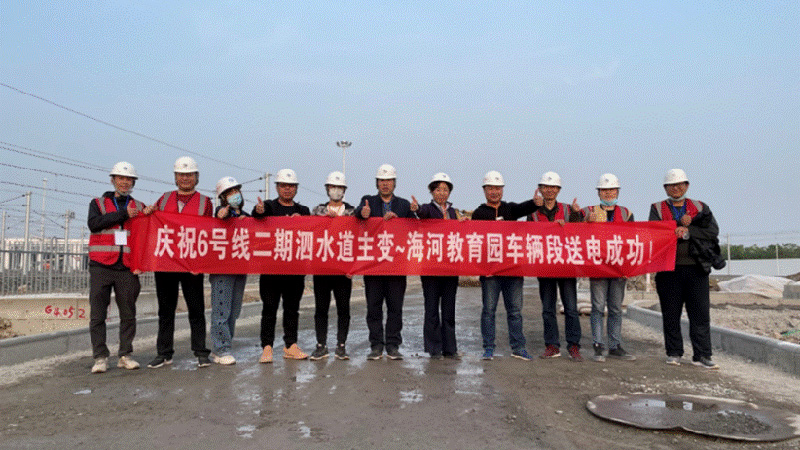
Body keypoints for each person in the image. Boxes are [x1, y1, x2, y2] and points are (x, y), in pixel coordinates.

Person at [144, 156, 213, 369]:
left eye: (189, 174)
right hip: (166, 263)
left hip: (192, 265)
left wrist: (202, 263)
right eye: (181, 175)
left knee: (196, 309)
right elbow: (152, 224)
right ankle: (164, 353)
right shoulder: (164, 199)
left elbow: (208, 233)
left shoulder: (205, 202)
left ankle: (201, 352)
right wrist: (148, 213)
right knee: (166, 310)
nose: (185, 178)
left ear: (196, 177)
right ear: (175, 177)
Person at [650, 169, 723, 369]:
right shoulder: (657, 208)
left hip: (696, 269)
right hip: (668, 269)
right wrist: (676, 225)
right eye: (671, 185)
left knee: (700, 314)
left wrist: (689, 230)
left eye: (680, 184)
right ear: (665, 188)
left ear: (687, 186)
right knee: (671, 314)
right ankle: (674, 352)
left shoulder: (700, 207)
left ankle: (702, 355)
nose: (676, 188)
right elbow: (654, 232)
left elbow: (712, 231)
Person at [471, 170, 540, 361]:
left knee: (515, 312)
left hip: (512, 270)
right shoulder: (479, 213)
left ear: (502, 190)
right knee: (488, 311)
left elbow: (524, 208)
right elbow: (473, 239)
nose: (494, 192)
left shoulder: (510, 210)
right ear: (484, 190)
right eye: (490, 188)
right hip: (490, 272)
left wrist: (535, 203)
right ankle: (488, 348)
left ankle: (518, 347)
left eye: (498, 188)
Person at [354, 164, 419, 360]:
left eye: (389, 180)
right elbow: (358, 213)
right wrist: (363, 213)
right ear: (377, 183)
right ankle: (376, 345)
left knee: (395, 308)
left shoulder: (403, 205)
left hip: (396, 266)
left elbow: (415, 228)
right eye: (382, 180)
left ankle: (392, 345)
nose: (385, 184)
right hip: (373, 267)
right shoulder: (368, 201)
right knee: (373, 308)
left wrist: (408, 216)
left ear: (394, 183)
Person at [87, 161, 145, 374]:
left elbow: (145, 236)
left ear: (133, 182)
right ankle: (100, 357)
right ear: (113, 180)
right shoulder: (98, 203)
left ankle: (125, 355)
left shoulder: (140, 207)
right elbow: (94, 224)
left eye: (129, 179)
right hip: (101, 265)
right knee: (98, 314)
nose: (125, 182)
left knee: (128, 314)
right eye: (121, 178)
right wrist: (123, 215)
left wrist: (141, 263)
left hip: (128, 268)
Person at [252, 169, 310, 363]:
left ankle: (290, 345)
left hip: (295, 270)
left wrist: (301, 223)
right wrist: (259, 211)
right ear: (277, 187)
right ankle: (267, 347)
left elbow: (311, 232)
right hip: (271, 270)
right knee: (269, 309)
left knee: (292, 309)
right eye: (283, 185)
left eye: (291, 186)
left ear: (296, 188)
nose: (287, 189)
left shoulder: (303, 211)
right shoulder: (269, 206)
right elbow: (258, 215)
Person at [529, 171, 584, 361]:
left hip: (566, 266)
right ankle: (552, 345)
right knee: (548, 309)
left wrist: (573, 217)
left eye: (553, 187)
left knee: (571, 308)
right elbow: (529, 237)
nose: (550, 190)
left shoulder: (568, 210)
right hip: (545, 267)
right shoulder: (533, 213)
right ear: (540, 189)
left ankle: (574, 345)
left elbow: (580, 230)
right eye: (546, 187)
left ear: (559, 190)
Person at [581, 174, 636, 362]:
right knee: (597, 307)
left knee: (615, 308)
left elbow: (632, 240)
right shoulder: (589, 212)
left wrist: (629, 267)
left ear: (617, 191)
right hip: (597, 267)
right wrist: (586, 222)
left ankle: (615, 345)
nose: (608, 193)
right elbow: (573, 230)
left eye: (612, 190)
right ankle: (597, 345)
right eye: (604, 190)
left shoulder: (626, 213)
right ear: (598, 193)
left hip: (618, 267)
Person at [417, 172, 465, 360]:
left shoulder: (454, 212)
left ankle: (450, 348)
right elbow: (421, 213)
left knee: (449, 309)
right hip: (430, 269)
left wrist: (463, 224)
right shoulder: (428, 209)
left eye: (445, 189)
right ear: (431, 191)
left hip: (450, 268)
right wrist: (416, 208)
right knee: (431, 310)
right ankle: (434, 348)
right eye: (438, 189)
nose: (442, 193)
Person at [309, 171, 355, 361]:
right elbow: (308, 232)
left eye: (339, 187)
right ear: (327, 189)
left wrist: (354, 266)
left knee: (343, 309)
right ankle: (321, 345)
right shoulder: (317, 211)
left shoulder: (352, 212)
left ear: (344, 190)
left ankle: (341, 345)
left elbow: (358, 239)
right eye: (333, 187)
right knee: (321, 309)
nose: (336, 190)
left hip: (344, 270)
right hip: (322, 268)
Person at [209, 176, 249, 365]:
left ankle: (225, 345)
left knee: (234, 311)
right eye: (229, 193)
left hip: (240, 268)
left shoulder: (244, 215)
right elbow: (221, 215)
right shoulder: (221, 212)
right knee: (221, 310)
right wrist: (224, 213)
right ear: (223, 197)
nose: (234, 195)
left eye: (236, 191)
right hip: (223, 269)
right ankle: (220, 349)